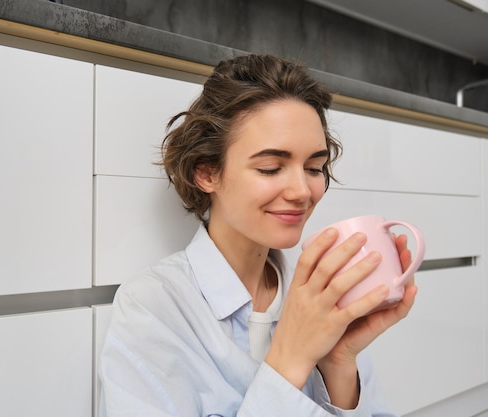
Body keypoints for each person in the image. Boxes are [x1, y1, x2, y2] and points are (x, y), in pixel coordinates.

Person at [98, 54, 417, 417]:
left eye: (314, 167)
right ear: (207, 173)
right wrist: (290, 362)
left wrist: (338, 365)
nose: (302, 190)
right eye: (270, 168)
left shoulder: (320, 292)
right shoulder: (155, 307)